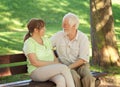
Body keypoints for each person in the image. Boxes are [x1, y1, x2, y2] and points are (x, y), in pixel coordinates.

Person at [23, 18, 75, 87]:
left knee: (61, 79)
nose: (45, 29)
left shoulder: (46, 40)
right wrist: (54, 64)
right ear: (35, 30)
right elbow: (35, 62)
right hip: (36, 72)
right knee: (64, 68)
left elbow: (54, 58)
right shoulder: (29, 43)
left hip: (49, 70)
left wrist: (55, 63)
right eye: (42, 28)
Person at [50, 13, 96, 87]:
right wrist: (55, 58)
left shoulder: (83, 38)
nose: (63, 26)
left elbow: (82, 59)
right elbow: (46, 46)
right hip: (65, 65)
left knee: (88, 77)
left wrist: (69, 67)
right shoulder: (59, 35)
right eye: (63, 24)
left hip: (81, 65)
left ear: (74, 26)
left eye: (66, 24)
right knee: (73, 76)